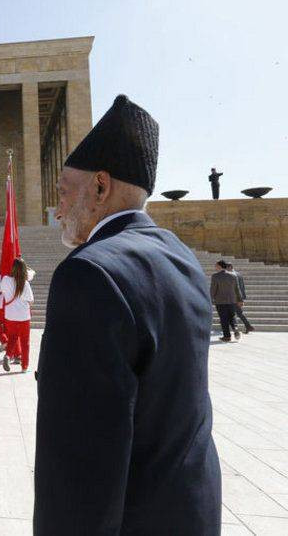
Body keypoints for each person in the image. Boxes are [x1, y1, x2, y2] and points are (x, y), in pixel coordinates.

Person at [34, 95, 220, 533]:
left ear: (100, 187)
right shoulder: (182, 258)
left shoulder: (89, 273)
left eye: (63, 191)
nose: (58, 210)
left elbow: (79, 468)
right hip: (189, 514)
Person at [0, 258, 34, 372]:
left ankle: (8, 356)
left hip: (10, 315)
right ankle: (24, 366)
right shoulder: (25, 283)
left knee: (13, 337)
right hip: (23, 316)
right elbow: (31, 301)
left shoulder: (5, 280)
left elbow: (3, 293)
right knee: (25, 341)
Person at [211, 260, 243, 342]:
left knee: (223, 318)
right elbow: (237, 289)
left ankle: (227, 336)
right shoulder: (233, 276)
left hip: (220, 301)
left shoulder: (215, 276)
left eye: (216, 265)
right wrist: (240, 299)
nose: (215, 267)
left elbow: (213, 289)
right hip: (232, 300)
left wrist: (211, 299)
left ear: (219, 266)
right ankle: (235, 328)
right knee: (232, 316)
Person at [226, 263, 254, 333]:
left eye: (227, 268)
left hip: (233, 298)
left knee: (232, 313)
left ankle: (236, 328)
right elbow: (242, 287)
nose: (226, 269)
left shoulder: (231, 275)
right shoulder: (239, 274)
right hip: (238, 297)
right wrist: (242, 297)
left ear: (230, 267)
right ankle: (248, 326)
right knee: (239, 313)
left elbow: (236, 288)